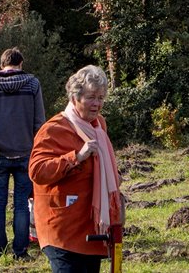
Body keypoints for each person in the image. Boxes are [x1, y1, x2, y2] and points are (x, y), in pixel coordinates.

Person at [29, 65, 125, 272]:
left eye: (101, 98)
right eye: (91, 97)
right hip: (62, 230)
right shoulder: (54, 128)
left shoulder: (99, 125)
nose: (97, 104)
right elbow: (37, 171)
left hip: (92, 228)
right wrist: (76, 157)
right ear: (75, 98)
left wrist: (112, 177)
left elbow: (100, 166)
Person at [0, 47, 46, 261]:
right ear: (21, 64)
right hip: (26, 151)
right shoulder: (32, 84)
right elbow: (39, 122)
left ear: (1, 64)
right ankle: (20, 252)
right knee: (21, 203)